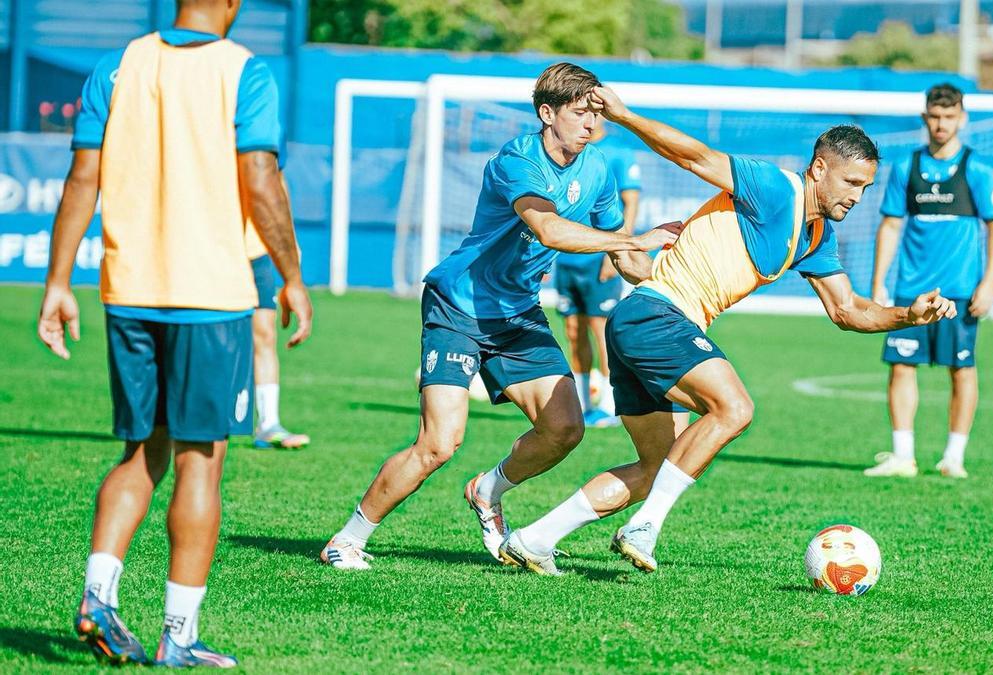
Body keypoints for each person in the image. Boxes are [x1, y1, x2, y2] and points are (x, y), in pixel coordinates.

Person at [498, 86, 957, 576]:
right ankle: (644, 526)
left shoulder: (817, 234)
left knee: (655, 467)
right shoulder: (775, 187)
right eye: (851, 182)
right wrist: (626, 116)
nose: (857, 196)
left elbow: (848, 310)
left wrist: (909, 316)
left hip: (645, 323)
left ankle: (534, 538)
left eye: (865, 187)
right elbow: (695, 156)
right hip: (657, 314)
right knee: (734, 408)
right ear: (819, 168)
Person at [319, 63, 678, 571]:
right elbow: (549, 229)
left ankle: (488, 490)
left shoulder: (598, 169)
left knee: (565, 429)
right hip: (459, 306)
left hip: (518, 312)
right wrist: (634, 239)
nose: (591, 124)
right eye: (580, 113)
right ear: (547, 113)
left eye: (597, 114)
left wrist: (670, 280)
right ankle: (347, 539)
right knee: (439, 444)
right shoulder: (517, 160)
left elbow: (625, 255)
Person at [36, 0, 311, 666]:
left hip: (129, 290)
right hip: (210, 295)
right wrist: (292, 276)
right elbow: (260, 177)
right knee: (200, 461)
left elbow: (81, 178)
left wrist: (57, 283)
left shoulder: (118, 64)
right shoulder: (244, 71)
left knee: (140, 453)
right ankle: (178, 636)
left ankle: (98, 596)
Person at [864, 83, 993, 479]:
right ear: (924, 117)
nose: (941, 124)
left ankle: (953, 458)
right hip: (911, 290)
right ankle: (902, 457)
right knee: (900, 366)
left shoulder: (976, 169)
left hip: (959, 291)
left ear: (962, 119)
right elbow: (891, 226)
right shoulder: (906, 167)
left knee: (961, 370)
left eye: (949, 117)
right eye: (935, 116)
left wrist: (989, 283)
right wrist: (878, 285)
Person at [553, 116, 642, 427]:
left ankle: (608, 403)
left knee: (601, 328)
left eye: (594, 111)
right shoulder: (564, 152)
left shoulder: (617, 153)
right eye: (582, 111)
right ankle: (579, 402)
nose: (589, 118)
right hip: (567, 257)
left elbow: (631, 203)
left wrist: (617, 250)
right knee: (573, 330)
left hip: (599, 256)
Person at [247, 182, 310, 450]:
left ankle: (268, 423)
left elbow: (276, 185)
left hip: (254, 248)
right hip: (213, 248)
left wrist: (290, 242)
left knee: (265, 332)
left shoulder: (269, 155)